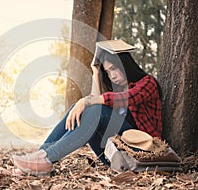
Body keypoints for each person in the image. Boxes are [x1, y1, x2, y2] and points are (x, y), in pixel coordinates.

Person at [12, 40, 162, 176]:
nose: (112, 76)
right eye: (108, 72)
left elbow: (127, 98)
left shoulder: (147, 83)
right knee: (82, 109)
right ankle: (39, 160)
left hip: (142, 152)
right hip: (115, 154)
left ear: (125, 65)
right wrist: (96, 73)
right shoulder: (117, 91)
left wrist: (86, 101)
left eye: (114, 68)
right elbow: (94, 106)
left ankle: (43, 160)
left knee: (93, 108)